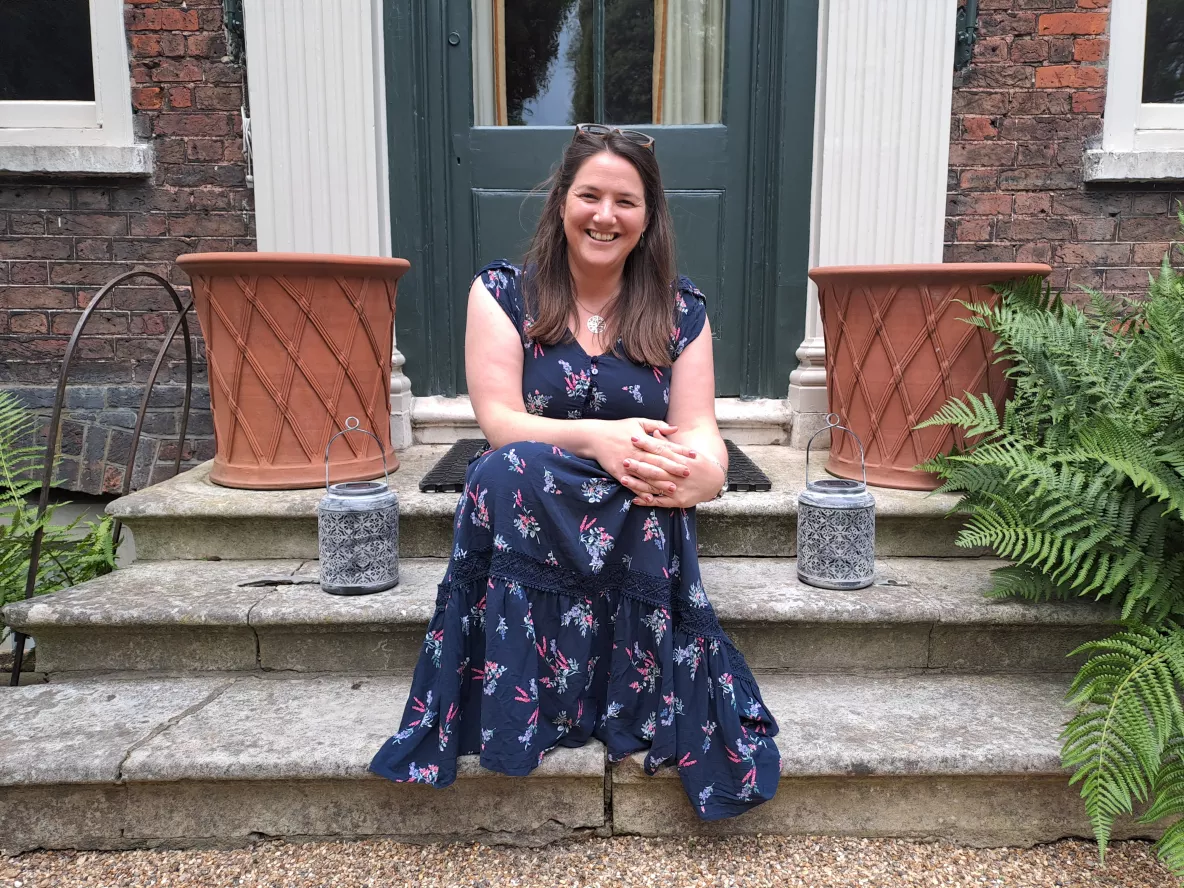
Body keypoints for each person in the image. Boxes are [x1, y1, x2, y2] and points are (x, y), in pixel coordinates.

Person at [370, 124, 781, 819]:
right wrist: (600, 437)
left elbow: (699, 429)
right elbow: (500, 419)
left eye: (625, 201)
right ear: (562, 201)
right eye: (590, 195)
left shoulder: (682, 311)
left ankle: (627, 696)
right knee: (504, 467)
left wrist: (707, 475)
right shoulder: (503, 293)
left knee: (657, 480)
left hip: (628, 501)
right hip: (540, 487)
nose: (605, 215)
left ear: (648, 217)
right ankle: (531, 702)